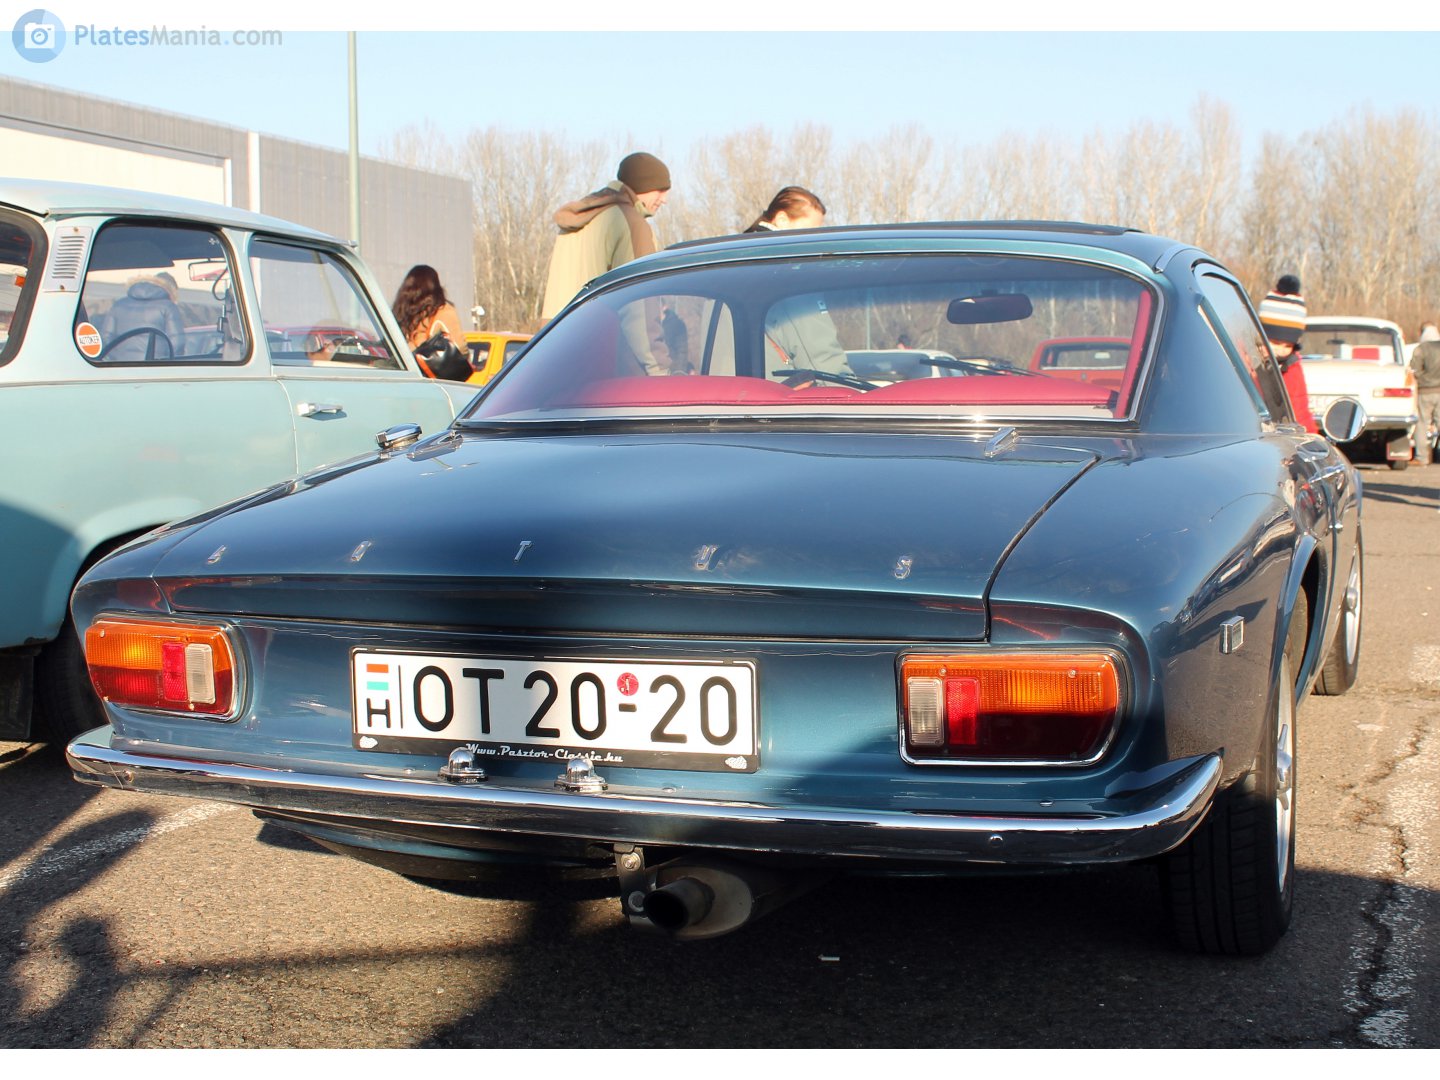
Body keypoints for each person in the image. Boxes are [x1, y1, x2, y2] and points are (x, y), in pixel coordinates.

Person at [541, 152, 672, 319]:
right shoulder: (630, 223)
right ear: (643, 185)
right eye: (661, 190)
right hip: (600, 336)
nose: (664, 199)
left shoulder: (577, 220)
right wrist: (654, 344)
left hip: (555, 337)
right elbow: (639, 306)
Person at [1256, 287, 1317, 434]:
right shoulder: (1243, 363)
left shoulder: (1292, 368)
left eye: (1288, 346)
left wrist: (1310, 440)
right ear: (1260, 336)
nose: (1280, 351)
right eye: (1275, 343)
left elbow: (1300, 411)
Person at [96, 274, 186, 361]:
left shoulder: (119, 305)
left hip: (122, 368)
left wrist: (118, 358)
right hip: (155, 368)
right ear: (169, 290)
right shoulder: (168, 307)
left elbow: (106, 337)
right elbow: (177, 343)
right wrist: (166, 363)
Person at [392, 264, 466, 356]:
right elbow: (459, 348)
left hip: (407, 366)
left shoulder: (399, 315)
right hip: (432, 368)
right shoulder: (443, 311)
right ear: (435, 287)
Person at [1410, 322, 1440, 465]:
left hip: (1426, 391)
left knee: (1422, 423)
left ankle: (1421, 458)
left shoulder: (1421, 348)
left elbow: (1414, 369)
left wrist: (1422, 378)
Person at [743, 186, 826, 233]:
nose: (815, 236)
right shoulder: (771, 251)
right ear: (782, 220)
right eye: (810, 231)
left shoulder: (749, 244)